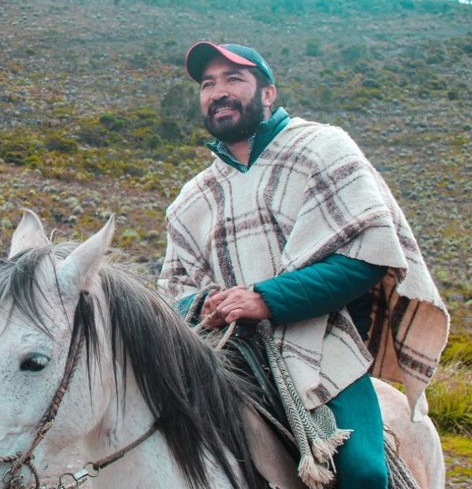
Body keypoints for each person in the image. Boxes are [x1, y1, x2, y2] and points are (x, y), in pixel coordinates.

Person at [158, 41, 450, 488]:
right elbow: (171, 293)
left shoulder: (322, 148)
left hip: (323, 348)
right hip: (225, 357)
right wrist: (205, 304)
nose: (219, 92)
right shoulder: (190, 200)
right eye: (208, 84)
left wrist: (265, 299)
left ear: (268, 93)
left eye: (234, 79)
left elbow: (367, 257)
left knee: (364, 473)